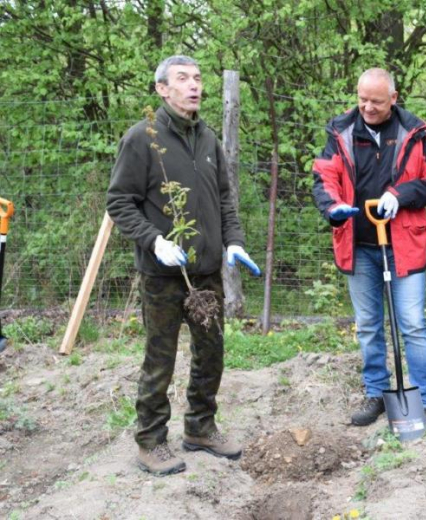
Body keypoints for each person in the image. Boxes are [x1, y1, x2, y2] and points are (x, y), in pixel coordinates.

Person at [107, 55, 261, 475]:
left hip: (206, 271)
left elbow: (225, 198)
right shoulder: (143, 138)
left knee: (211, 353)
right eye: (182, 79)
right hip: (162, 275)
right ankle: (151, 442)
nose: (194, 85)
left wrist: (234, 242)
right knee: (161, 358)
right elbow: (119, 201)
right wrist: (153, 240)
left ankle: (200, 428)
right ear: (162, 89)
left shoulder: (208, 138)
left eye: (197, 78)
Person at [312, 68, 426, 431]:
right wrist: (332, 208)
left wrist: (399, 196)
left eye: (376, 100)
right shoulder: (340, 131)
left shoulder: (415, 133)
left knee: (414, 325)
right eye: (362, 99)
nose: (367, 107)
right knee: (369, 326)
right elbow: (323, 177)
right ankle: (376, 392)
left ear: (393, 98)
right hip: (358, 245)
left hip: (403, 243)